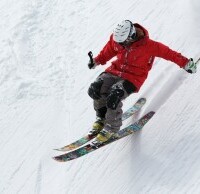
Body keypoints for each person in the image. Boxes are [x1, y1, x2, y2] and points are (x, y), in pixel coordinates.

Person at [87, 20, 197, 144]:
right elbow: (109, 50)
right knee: (95, 88)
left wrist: (186, 63)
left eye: (124, 42)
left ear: (132, 35)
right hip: (115, 71)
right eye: (119, 42)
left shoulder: (150, 46)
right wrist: (96, 61)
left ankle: (112, 127)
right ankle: (101, 118)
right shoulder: (118, 39)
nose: (121, 45)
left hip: (133, 78)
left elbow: (170, 54)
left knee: (114, 95)